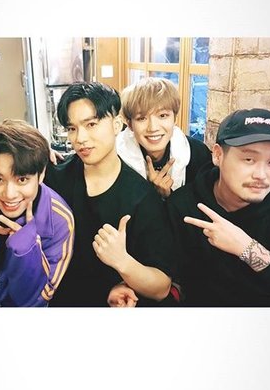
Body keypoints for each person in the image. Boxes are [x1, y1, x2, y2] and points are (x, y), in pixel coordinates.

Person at [167, 108, 270, 307]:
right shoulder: (184, 206)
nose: (261, 175)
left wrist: (247, 249)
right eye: (249, 159)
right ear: (218, 155)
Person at [43, 82, 174, 307]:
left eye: (91, 124)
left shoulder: (141, 197)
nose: (80, 138)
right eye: (72, 128)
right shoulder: (54, 179)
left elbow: (162, 287)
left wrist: (123, 262)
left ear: (116, 125)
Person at [0, 121, 74, 307]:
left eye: (22, 179)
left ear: (41, 174)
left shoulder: (58, 219)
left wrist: (27, 251)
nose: (9, 194)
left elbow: (38, 298)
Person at [117, 77, 211, 198]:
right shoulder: (115, 158)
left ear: (175, 119)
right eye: (142, 118)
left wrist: (168, 196)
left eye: (162, 116)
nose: (153, 128)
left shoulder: (198, 154)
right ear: (130, 124)